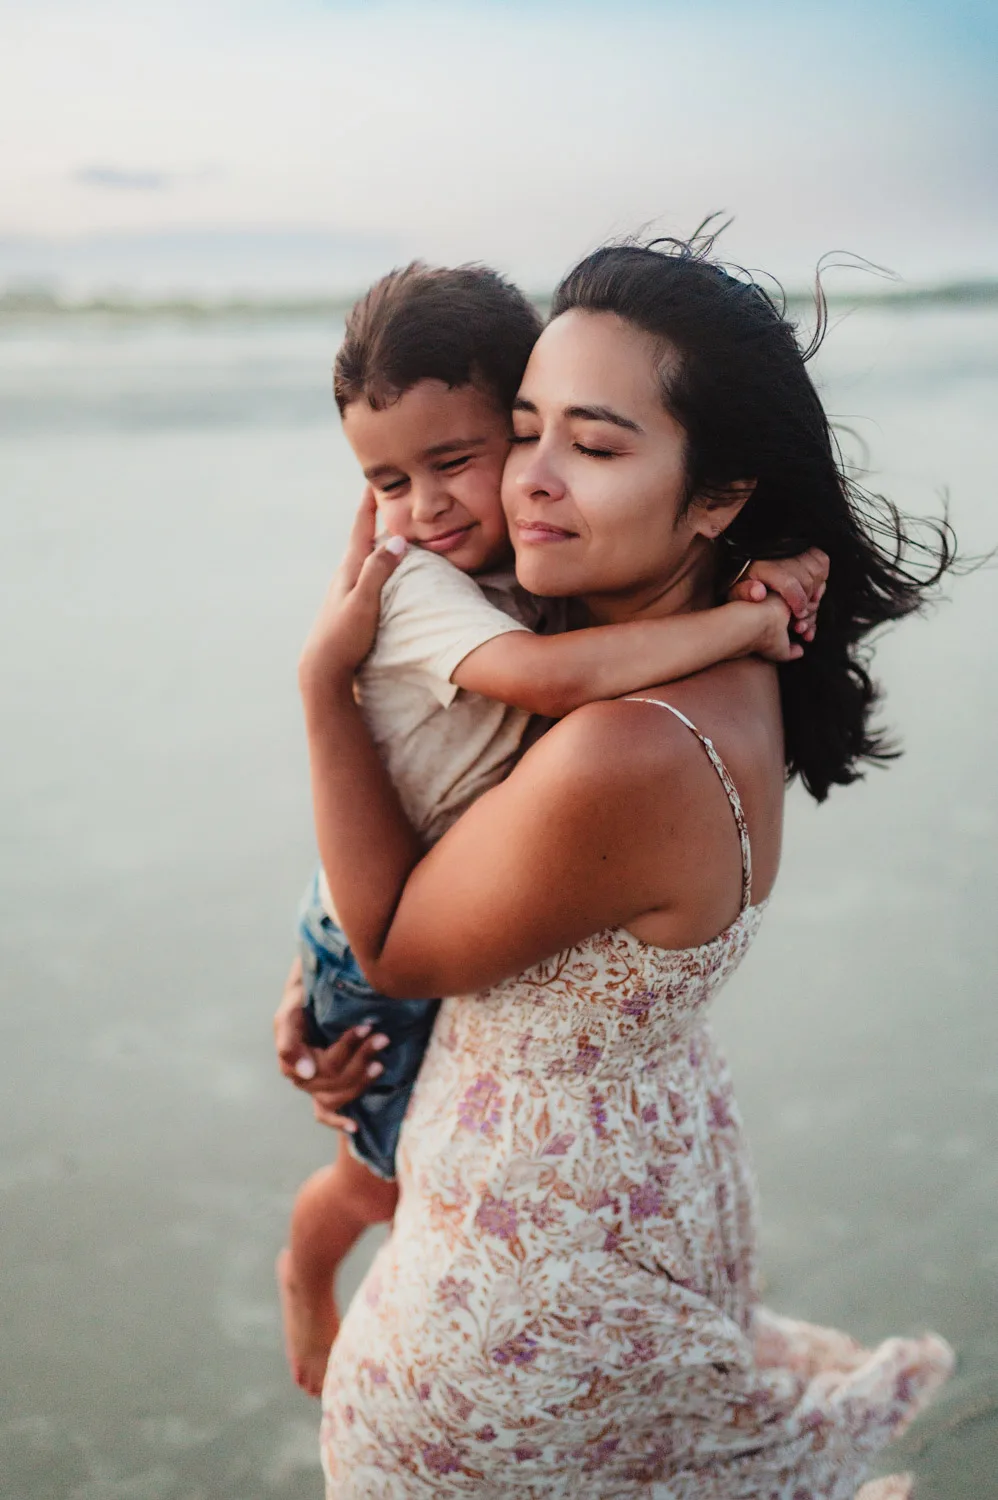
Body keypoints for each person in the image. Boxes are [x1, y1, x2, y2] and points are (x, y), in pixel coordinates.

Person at [283, 239, 956, 1497]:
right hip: (623, 1208)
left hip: (513, 1318)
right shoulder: (714, 668)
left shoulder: (626, 751)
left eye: (592, 448)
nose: (524, 484)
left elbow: (395, 946)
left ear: (714, 498)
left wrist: (320, 683)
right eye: (522, 430)